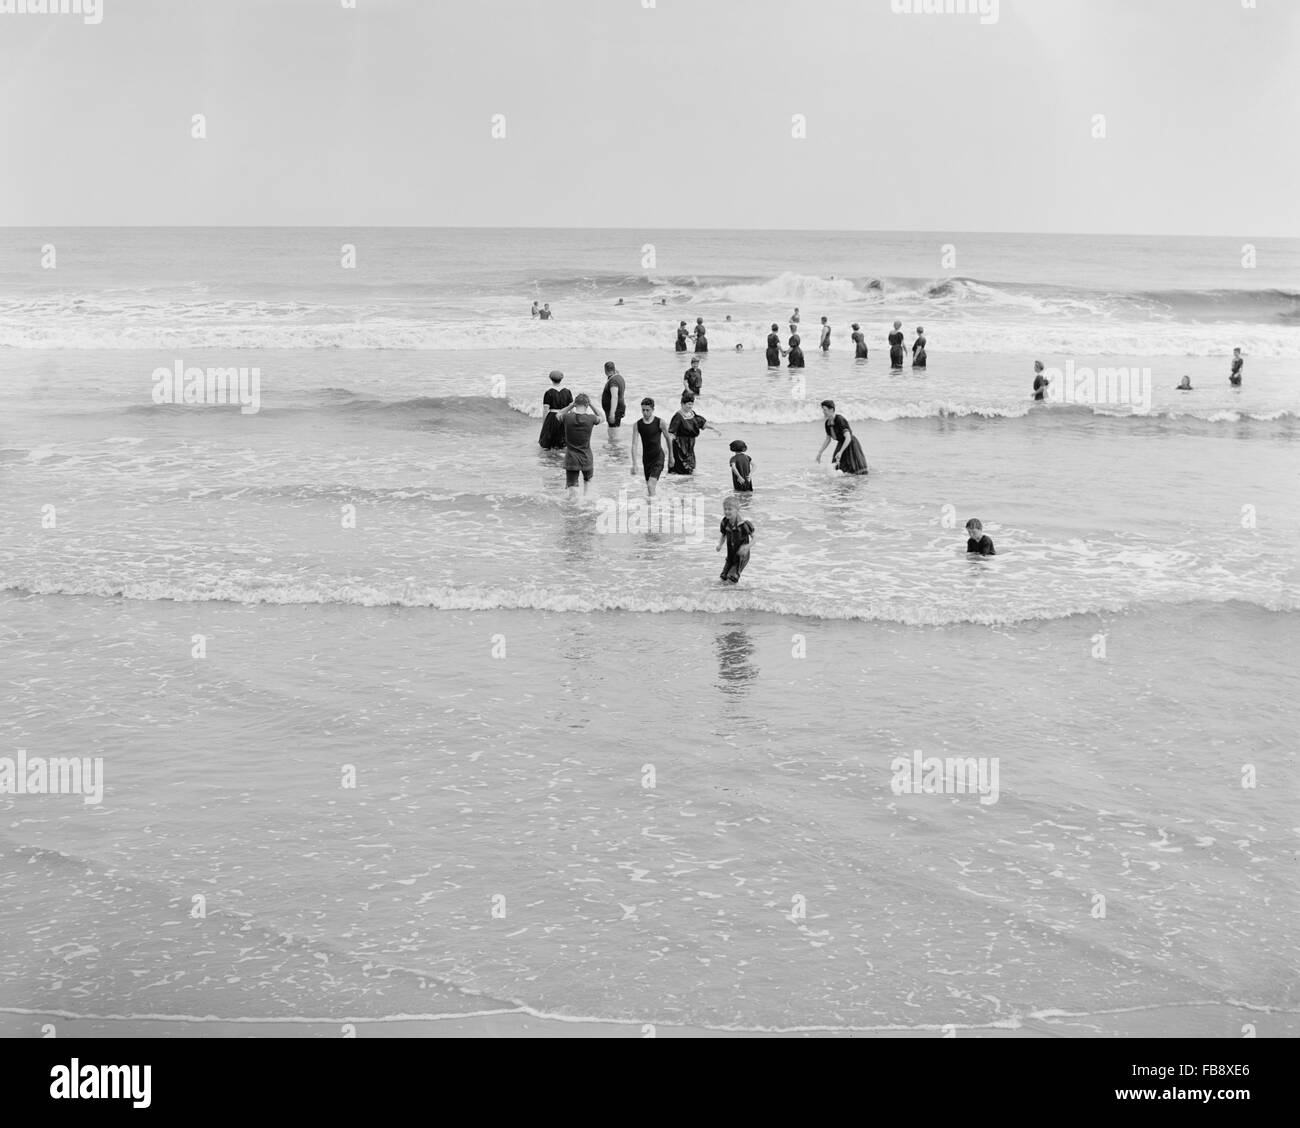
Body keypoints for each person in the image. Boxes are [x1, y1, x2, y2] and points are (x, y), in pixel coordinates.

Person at [556, 393, 602, 494]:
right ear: (586, 405)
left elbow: (558, 414)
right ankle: (586, 505)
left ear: (576, 404)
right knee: (588, 484)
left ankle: (574, 508)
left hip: (571, 459)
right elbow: (602, 417)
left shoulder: (567, 417)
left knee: (572, 488)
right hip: (587, 458)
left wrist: (571, 405)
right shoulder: (591, 418)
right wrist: (592, 405)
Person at [667, 392, 718, 475]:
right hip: (680, 445)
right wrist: (669, 451)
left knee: (691, 467)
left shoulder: (692, 414)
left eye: (691, 404)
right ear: (682, 404)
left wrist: (713, 428)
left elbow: (701, 423)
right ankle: (677, 485)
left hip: (690, 445)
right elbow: (671, 434)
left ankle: (689, 486)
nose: (690, 406)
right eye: (688, 404)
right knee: (681, 469)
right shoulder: (678, 416)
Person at [630, 397, 672, 496]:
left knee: (650, 486)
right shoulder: (637, 425)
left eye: (647, 410)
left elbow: (668, 439)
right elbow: (634, 444)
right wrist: (634, 463)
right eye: (643, 410)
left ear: (653, 409)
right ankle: (654, 504)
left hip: (658, 458)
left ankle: (653, 509)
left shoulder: (660, 422)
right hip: (646, 460)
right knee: (650, 487)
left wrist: (671, 457)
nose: (645, 412)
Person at [816, 400, 868, 474]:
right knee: (836, 468)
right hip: (841, 443)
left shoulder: (839, 419)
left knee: (854, 470)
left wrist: (840, 452)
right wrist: (820, 453)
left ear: (831, 410)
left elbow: (848, 437)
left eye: (825, 410)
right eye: (823, 410)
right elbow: (828, 439)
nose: (823, 412)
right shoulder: (827, 423)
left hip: (850, 443)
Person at [716, 497, 756, 584]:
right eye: (725, 509)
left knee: (731, 580)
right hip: (730, 555)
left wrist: (747, 546)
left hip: (741, 557)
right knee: (723, 578)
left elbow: (755, 538)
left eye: (730, 509)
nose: (726, 511)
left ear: (737, 510)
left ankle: (736, 594)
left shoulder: (744, 525)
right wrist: (720, 545)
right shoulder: (725, 522)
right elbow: (723, 535)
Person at [537, 369, 572, 449]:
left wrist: (544, 423)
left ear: (551, 379)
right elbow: (571, 408)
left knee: (550, 442)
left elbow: (546, 409)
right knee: (563, 441)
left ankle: (551, 458)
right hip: (564, 416)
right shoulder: (567, 391)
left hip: (552, 417)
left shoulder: (548, 392)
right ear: (561, 379)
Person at [600, 361, 626, 427]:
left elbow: (615, 396)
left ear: (605, 370)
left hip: (615, 410)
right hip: (619, 408)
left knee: (613, 432)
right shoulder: (619, 377)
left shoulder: (613, 381)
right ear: (614, 369)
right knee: (613, 430)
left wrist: (612, 413)